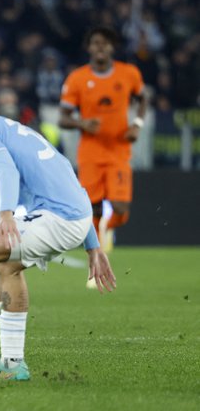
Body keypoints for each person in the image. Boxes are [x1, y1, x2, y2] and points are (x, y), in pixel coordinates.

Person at [0, 80, 116, 384]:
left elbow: (6, 170)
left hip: (57, 217)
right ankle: (14, 363)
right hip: (75, 216)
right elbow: (65, 175)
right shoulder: (8, 127)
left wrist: (6, 214)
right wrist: (92, 245)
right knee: (7, 266)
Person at [59, 26, 147, 253]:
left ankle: (108, 228)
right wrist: (82, 123)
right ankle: (97, 258)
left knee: (120, 207)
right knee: (93, 208)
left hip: (119, 150)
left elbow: (143, 98)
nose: (100, 47)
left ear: (112, 47)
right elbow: (63, 118)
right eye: (96, 43)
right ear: (89, 47)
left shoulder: (129, 73)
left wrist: (137, 125)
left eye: (105, 43)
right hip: (90, 152)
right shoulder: (78, 78)